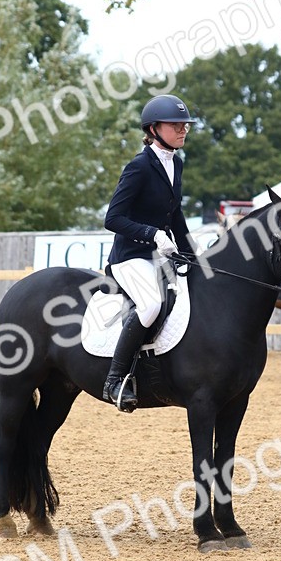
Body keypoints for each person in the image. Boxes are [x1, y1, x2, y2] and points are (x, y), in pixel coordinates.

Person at [102, 93, 194, 410]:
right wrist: (151, 234)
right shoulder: (138, 167)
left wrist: (191, 255)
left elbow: (176, 215)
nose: (183, 129)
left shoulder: (176, 164)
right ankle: (115, 381)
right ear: (153, 128)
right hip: (130, 257)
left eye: (186, 125)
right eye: (176, 125)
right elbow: (112, 218)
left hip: (160, 256)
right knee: (151, 304)